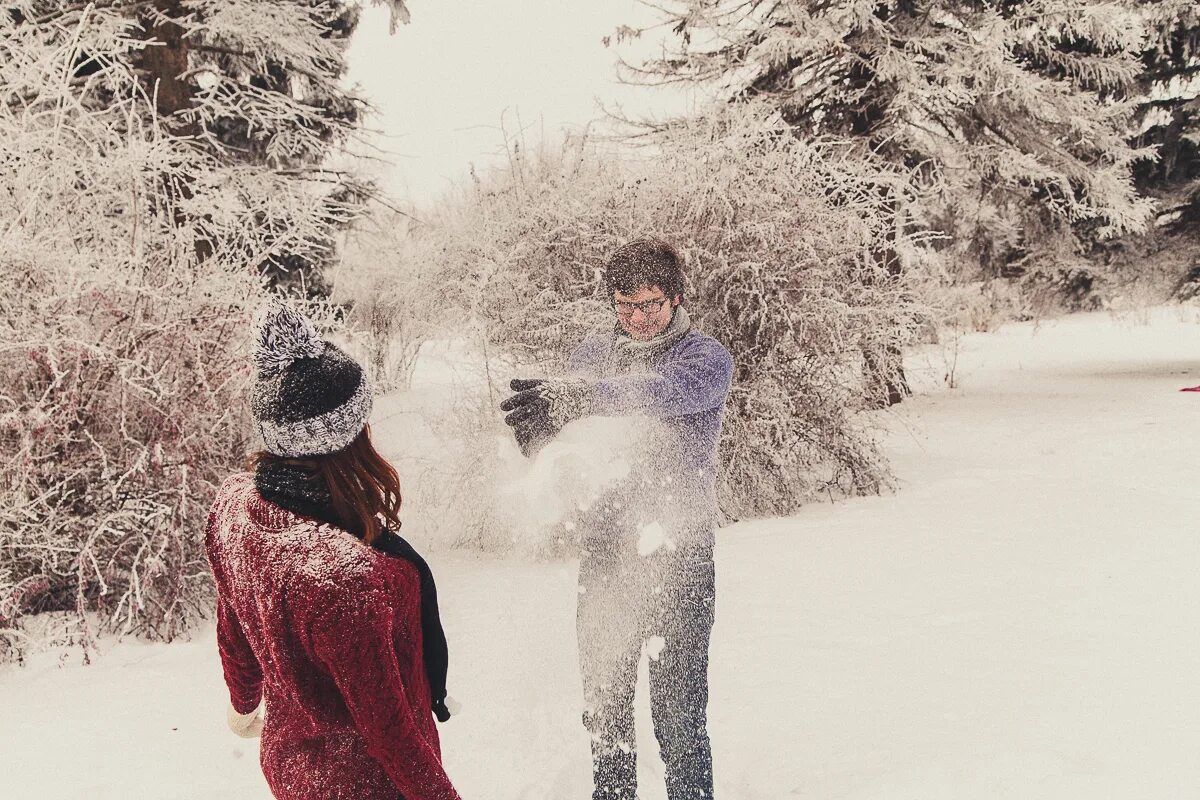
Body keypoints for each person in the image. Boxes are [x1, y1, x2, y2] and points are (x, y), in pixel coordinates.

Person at [500, 238, 734, 800]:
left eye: (650, 305)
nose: (638, 319)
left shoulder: (703, 358)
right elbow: (580, 438)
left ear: (677, 300)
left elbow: (661, 393)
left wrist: (580, 398)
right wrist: (546, 446)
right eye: (624, 306)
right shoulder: (596, 353)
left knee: (678, 716)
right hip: (606, 554)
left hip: (678, 555)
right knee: (605, 708)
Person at [205, 303, 461, 800]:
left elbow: (233, 620)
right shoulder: (343, 579)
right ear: (348, 434)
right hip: (366, 784)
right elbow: (389, 734)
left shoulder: (235, 506)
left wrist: (243, 703)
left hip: (295, 767)